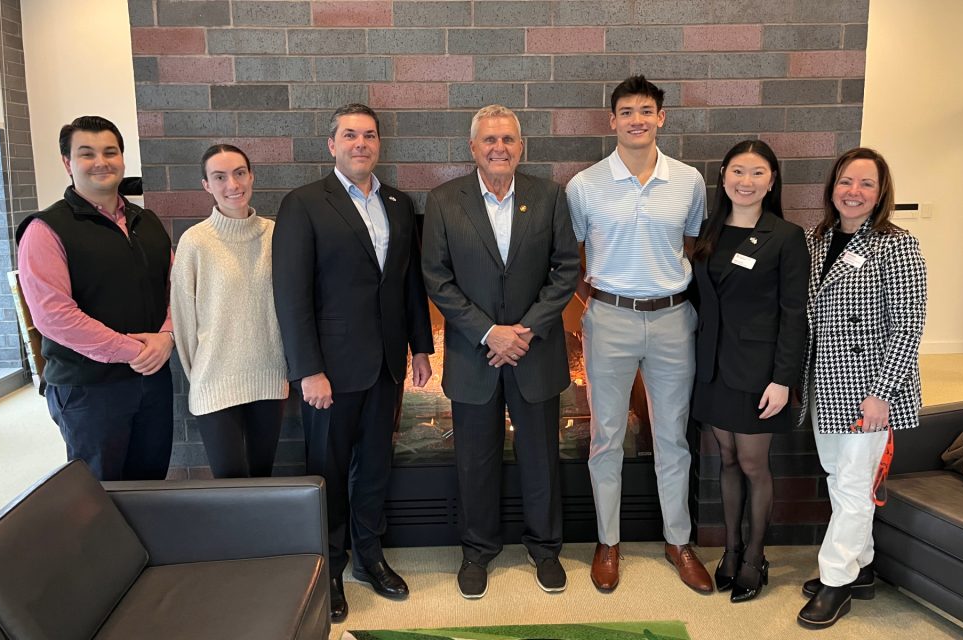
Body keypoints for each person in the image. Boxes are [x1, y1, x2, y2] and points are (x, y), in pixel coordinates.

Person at [272, 103, 434, 623]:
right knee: (329, 472)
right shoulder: (304, 204)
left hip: (386, 364)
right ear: (332, 144)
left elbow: (407, 282)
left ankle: (370, 557)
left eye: (369, 135)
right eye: (350, 135)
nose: (360, 143)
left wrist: (421, 347)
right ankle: (330, 569)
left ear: (379, 144)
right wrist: (307, 369)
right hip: (330, 373)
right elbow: (291, 295)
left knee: (374, 470)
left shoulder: (399, 203)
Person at [421, 105, 580, 599]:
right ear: (473, 148)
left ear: (521, 146)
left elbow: (566, 270)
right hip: (475, 355)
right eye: (489, 140)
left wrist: (525, 331)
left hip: (535, 354)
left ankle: (545, 548)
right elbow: (436, 277)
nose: (499, 148)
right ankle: (477, 550)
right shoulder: (445, 201)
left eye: (508, 139)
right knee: (474, 460)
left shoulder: (549, 197)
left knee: (540, 459)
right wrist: (489, 332)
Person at [566, 75, 712, 593]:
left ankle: (679, 540)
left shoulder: (689, 181)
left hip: (673, 319)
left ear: (661, 117)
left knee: (672, 435)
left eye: (646, 110)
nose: (636, 119)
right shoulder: (584, 185)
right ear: (612, 120)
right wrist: (602, 303)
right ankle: (608, 542)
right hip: (610, 318)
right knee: (606, 437)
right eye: (626, 111)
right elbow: (575, 255)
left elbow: (691, 242)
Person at [796, 148, 927, 629]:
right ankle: (863, 567)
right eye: (846, 181)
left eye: (866, 184)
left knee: (852, 486)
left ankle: (836, 584)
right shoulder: (817, 238)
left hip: (868, 388)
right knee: (839, 478)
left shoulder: (897, 245)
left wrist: (883, 394)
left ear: (880, 192)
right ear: (832, 187)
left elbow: (909, 325)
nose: (854, 191)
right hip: (824, 383)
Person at [15, 115, 174, 481]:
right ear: (68, 163)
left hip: (151, 381)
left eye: (110, 151)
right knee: (97, 494)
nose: (101, 161)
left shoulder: (146, 221)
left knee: (150, 484)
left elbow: (175, 289)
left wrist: (167, 336)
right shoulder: (46, 229)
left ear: (121, 158)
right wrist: (134, 351)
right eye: (87, 153)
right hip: (88, 389)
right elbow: (54, 317)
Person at [690, 140, 809, 602]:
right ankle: (731, 549)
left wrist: (784, 379)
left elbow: (794, 312)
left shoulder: (785, 235)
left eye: (757, 173)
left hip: (761, 372)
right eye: (738, 171)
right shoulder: (709, 230)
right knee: (728, 460)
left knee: (755, 464)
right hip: (714, 367)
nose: (746, 181)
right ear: (723, 176)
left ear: (772, 181)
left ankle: (756, 556)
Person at [171, 144, 289, 479]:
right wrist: (202, 374)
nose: (232, 184)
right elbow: (182, 320)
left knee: (262, 475)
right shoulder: (194, 242)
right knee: (230, 482)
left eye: (239, 173)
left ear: (251, 176)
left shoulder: (275, 234)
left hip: (268, 377)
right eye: (219, 177)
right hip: (214, 381)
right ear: (206, 185)